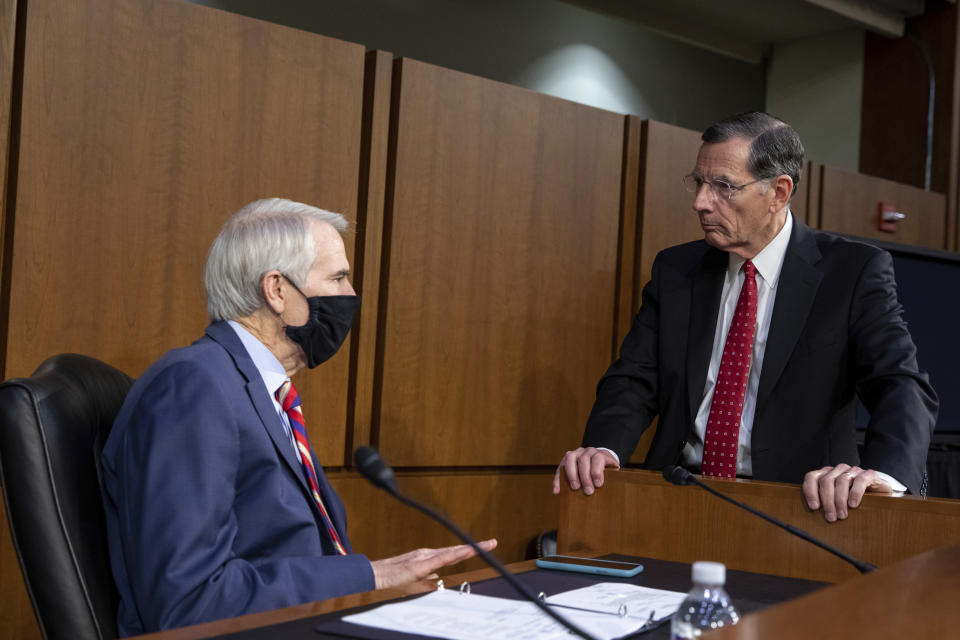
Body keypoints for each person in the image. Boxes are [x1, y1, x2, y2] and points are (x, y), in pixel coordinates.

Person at [101, 199, 496, 636]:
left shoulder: (257, 389)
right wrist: (373, 577)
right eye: (338, 278)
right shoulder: (195, 386)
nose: (351, 296)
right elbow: (191, 601)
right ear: (276, 290)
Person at [553, 112, 938, 523]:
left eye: (723, 187)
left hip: (801, 506)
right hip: (678, 491)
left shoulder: (852, 272)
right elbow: (634, 377)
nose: (700, 201)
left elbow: (900, 383)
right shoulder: (676, 269)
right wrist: (605, 449)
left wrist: (882, 475)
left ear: (779, 192)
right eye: (699, 182)